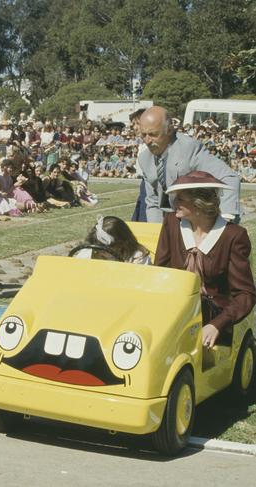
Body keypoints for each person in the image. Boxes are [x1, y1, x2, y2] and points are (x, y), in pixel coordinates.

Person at [155, 171, 256, 348]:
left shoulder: (233, 236)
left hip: (211, 318)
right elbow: (160, 272)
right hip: (171, 310)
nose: (174, 204)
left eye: (180, 199)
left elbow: (245, 294)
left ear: (199, 204)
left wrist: (216, 325)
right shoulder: (171, 223)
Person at [138, 106, 240, 223]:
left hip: (202, 220)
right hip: (174, 219)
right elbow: (153, 202)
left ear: (169, 130)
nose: (147, 140)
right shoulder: (144, 159)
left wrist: (225, 220)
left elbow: (230, 178)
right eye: (143, 135)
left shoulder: (189, 149)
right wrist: (156, 232)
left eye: (153, 134)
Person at [74, 215, 151, 264]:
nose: (100, 252)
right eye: (97, 247)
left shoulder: (138, 258)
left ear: (122, 243)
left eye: (105, 248)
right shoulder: (88, 254)